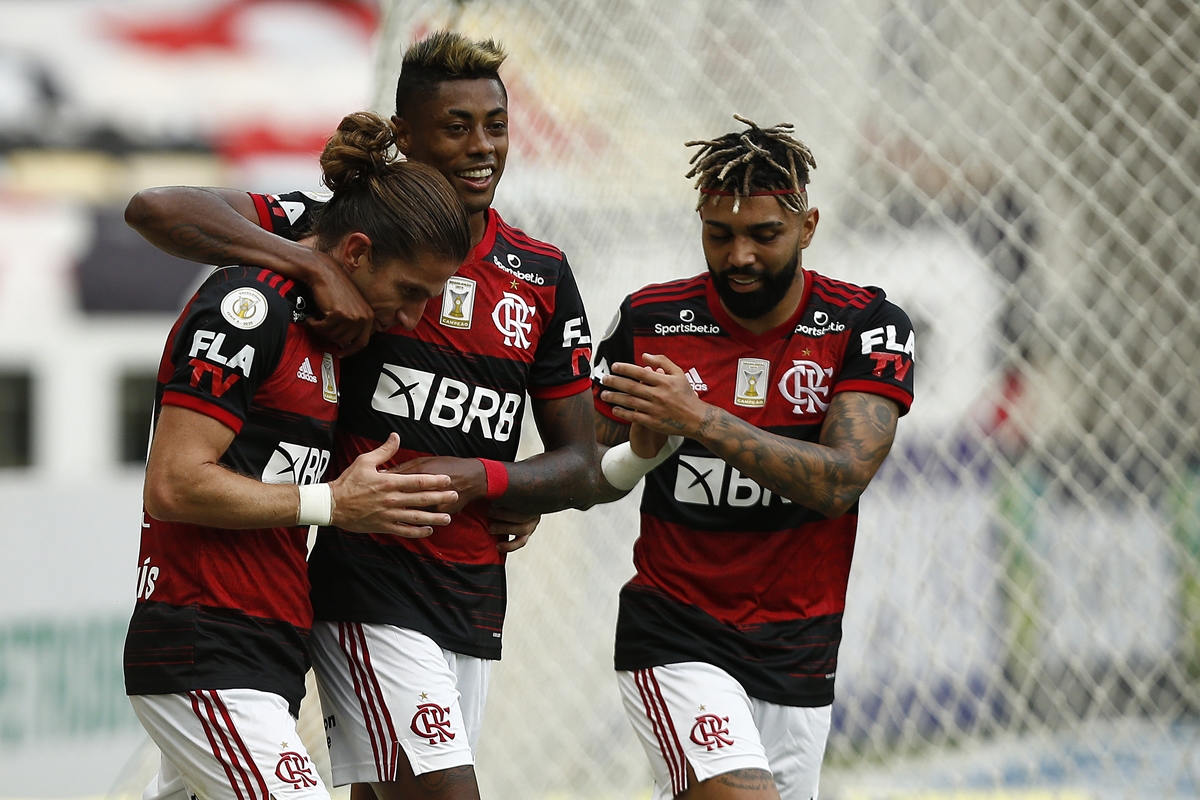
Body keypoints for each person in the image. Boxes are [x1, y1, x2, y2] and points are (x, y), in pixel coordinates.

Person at [124, 31, 599, 800]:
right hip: (333, 596)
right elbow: (154, 208)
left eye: (497, 125)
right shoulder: (287, 264)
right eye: (456, 127)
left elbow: (579, 464)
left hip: (396, 606)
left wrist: (498, 484)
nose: (482, 148)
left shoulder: (539, 274)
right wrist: (305, 260)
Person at [124, 111, 472, 800]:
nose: (411, 319)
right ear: (355, 253)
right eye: (409, 294)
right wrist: (334, 504)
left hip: (265, 651)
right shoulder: (250, 305)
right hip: (206, 643)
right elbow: (173, 482)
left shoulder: (326, 331)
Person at [590, 116, 916, 800]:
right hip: (677, 631)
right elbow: (587, 463)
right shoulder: (650, 323)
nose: (738, 255)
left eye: (763, 234)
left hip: (799, 649)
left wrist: (699, 418)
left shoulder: (867, 326)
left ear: (808, 225)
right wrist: (602, 466)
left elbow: (840, 482)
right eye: (719, 233)